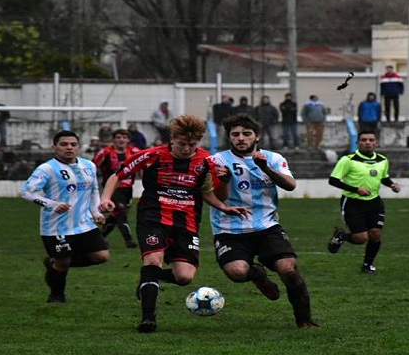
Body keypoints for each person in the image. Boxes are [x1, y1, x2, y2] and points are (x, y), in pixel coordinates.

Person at [98, 114, 249, 333]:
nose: (187, 149)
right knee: (153, 260)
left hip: (186, 222)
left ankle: (147, 279)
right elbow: (117, 175)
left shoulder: (206, 161)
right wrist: (105, 198)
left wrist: (224, 207)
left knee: (184, 277)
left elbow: (206, 192)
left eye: (192, 144)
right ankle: (148, 318)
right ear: (172, 138)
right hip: (153, 217)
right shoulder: (152, 156)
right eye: (182, 144)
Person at [209, 113, 318, 328]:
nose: (241, 138)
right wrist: (223, 181)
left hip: (266, 226)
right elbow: (218, 197)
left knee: (288, 268)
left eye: (246, 134)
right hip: (229, 229)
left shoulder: (273, 158)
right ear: (229, 138)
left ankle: (304, 320)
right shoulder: (217, 161)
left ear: (257, 136)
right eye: (235, 134)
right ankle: (258, 275)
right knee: (237, 272)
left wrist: (265, 168)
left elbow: (290, 185)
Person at [21, 130, 110, 303]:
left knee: (102, 256)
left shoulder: (89, 165)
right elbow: (26, 192)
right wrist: (52, 204)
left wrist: (97, 213)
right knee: (63, 263)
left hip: (84, 224)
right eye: (64, 144)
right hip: (56, 226)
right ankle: (57, 295)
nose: (69, 148)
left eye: (73, 144)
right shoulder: (47, 169)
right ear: (55, 147)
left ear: (78, 147)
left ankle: (52, 262)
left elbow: (93, 191)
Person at [326, 130, 401, 274]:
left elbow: (383, 177)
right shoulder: (348, 160)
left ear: (376, 143)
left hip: (374, 202)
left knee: (376, 233)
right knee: (361, 238)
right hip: (353, 203)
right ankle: (342, 236)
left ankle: (368, 265)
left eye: (371, 140)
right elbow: (333, 180)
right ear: (358, 143)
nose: (368, 142)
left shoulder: (382, 160)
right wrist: (355, 189)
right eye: (364, 140)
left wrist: (391, 184)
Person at [93, 128, 141, 248]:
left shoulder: (135, 151)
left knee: (116, 215)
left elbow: (144, 165)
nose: (121, 140)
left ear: (128, 140)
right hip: (112, 189)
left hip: (128, 189)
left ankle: (98, 238)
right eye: (118, 137)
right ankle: (129, 241)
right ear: (113, 139)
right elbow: (92, 166)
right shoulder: (105, 152)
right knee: (120, 212)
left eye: (124, 137)